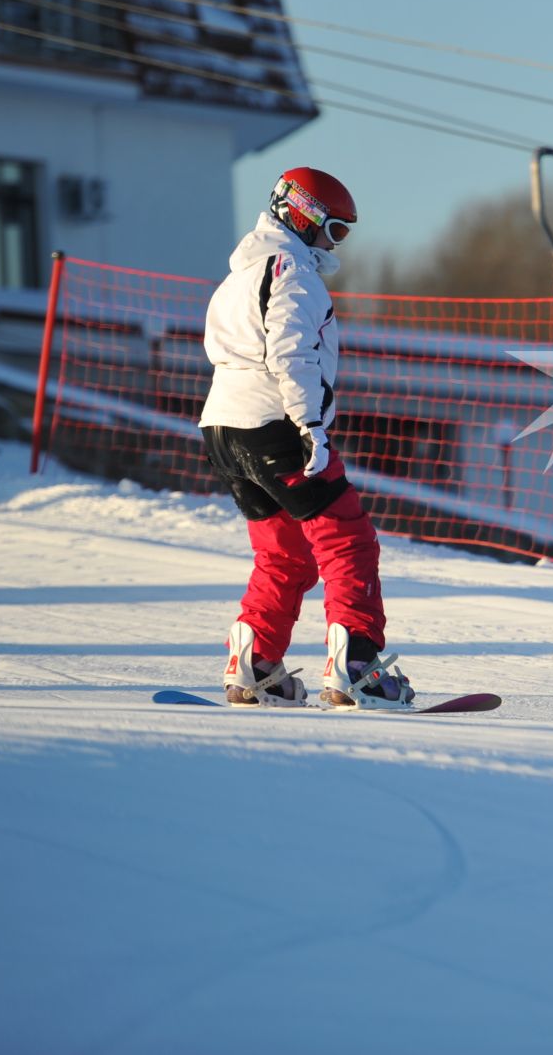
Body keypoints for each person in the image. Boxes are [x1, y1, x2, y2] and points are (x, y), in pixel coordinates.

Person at [198, 167, 414, 709]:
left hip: (224, 427)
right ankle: (357, 671)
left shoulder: (241, 273)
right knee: (348, 542)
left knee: (285, 554)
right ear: (303, 215)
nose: (335, 242)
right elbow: (290, 353)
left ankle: (256, 666)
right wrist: (310, 424)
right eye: (334, 229)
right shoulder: (292, 270)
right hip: (276, 424)